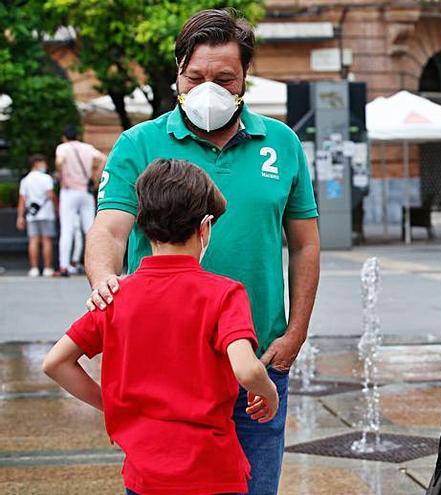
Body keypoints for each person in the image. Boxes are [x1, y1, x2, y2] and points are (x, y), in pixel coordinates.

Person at [84, 9, 320, 493]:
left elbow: (304, 245)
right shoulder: (139, 143)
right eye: (195, 77)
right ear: (177, 75)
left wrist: (295, 334)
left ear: (244, 80)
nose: (207, 88)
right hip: (164, 376)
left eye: (224, 78)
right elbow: (109, 229)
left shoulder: (282, 143)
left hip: (254, 365)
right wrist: (104, 280)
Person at [43, 159, 279, 495]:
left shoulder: (115, 295)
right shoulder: (224, 294)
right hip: (212, 471)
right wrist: (269, 393)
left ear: (142, 227)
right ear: (205, 227)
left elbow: (55, 363)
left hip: (144, 473)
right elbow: (246, 369)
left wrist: (113, 405)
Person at [55, 127, 106, 277]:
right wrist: (96, 177)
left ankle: (64, 266)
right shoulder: (87, 148)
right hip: (85, 191)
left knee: (67, 230)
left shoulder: (63, 148)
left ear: (64, 137)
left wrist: (61, 175)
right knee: (90, 229)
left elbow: (59, 161)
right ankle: (94, 266)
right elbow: (104, 158)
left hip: (69, 191)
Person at [16, 154, 58, 277]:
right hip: (46, 213)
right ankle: (47, 268)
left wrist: (20, 217)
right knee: (46, 240)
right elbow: (51, 195)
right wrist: (57, 207)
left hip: (32, 215)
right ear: (37, 163)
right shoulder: (46, 178)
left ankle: (34, 268)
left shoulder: (25, 180)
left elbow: (22, 200)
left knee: (33, 240)